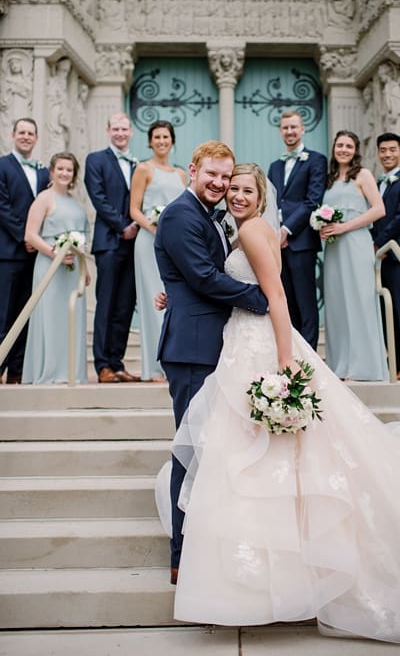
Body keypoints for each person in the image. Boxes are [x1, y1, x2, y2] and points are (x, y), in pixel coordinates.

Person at [170, 163, 400, 655]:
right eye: (234, 189)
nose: (238, 195)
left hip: (265, 348)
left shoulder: (252, 230)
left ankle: (277, 583)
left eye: (247, 189)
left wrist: (285, 362)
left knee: (272, 459)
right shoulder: (243, 229)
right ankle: (266, 581)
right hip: (240, 343)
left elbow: (277, 296)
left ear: (261, 197)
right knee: (258, 460)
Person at [154, 141, 269, 586]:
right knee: (191, 448)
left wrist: (175, 291)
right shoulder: (182, 214)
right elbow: (202, 275)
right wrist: (260, 300)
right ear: (193, 171)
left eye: (226, 177)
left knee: (214, 447)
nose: (221, 184)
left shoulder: (214, 217)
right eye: (213, 175)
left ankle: (213, 541)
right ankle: (182, 555)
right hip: (192, 348)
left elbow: (195, 274)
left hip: (214, 342)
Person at [318, 130, 388, 381]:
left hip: (356, 243)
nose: (344, 150)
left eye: (349, 146)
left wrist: (345, 227)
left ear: (355, 150)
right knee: (338, 305)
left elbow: (379, 209)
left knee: (360, 302)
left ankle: (364, 366)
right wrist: (322, 229)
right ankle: (341, 365)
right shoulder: (330, 179)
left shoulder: (363, 175)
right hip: (334, 248)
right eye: (340, 145)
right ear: (334, 148)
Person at [22, 152, 89, 384]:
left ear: (73, 175)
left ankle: (70, 372)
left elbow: (83, 240)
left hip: (73, 271)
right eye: (60, 169)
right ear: (52, 171)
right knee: (50, 319)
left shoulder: (75, 202)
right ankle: (49, 371)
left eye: (69, 170)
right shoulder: (44, 198)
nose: (64, 173)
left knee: (71, 320)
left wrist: (85, 270)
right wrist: (55, 253)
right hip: (49, 267)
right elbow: (30, 234)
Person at [84, 112, 141, 383]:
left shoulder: (138, 164)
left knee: (125, 305)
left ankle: (117, 363)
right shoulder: (96, 160)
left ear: (131, 132)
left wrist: (139, 226)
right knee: (106, 304)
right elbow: (98, 197)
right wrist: (122, 226)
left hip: (136, 246)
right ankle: (102, 365)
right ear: (108, 131)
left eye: (124, 129)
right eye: (115, 128)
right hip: (109, 242)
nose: (120, 133)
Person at [129, 120, 187, 383]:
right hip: (149, 241)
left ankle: (174, 359)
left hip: (176, 245)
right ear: (150, 141)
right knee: (154, 301)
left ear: (172, 140)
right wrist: (155, 226)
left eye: (166, 136)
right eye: (156, 137)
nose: (161, 141)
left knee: (174, 299)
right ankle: (154, 367)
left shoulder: (181, 175)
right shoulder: (143, 169)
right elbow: (134, 210)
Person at [266, 109, 326, 348]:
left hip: (301, 241)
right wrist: (274, 231)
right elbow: (271, 203)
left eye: (294, 127)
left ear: (303, 129)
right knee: (285, 299)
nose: (289, 131)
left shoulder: (316, 160)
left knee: (305, 299)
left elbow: (312, 201)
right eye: (285, 128)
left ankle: (309, 350)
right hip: (277, 244)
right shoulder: (274, 166)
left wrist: (287, 230)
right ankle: (292, 349)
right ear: (281, 131)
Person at [0, 118, 49, 384]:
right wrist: (24, 236)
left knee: (25, 314)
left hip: (35, 256)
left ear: (36, 138)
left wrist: (37, 240)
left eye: (31, 133)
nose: (26, 137)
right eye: (22, 132)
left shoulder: (44, 172)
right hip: (8, 253)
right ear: (13, 135)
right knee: (3, 314)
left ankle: (17, 371)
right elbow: (2, 207)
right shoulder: (2, 166)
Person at [370, 132, 400, 380]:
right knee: (381, 308)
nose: (387, 154)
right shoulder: (374, 183)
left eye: (392, 150)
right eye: (383, 150)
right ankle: (390, 359)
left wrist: (379, 242)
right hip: (375, 257)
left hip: (397, 255)